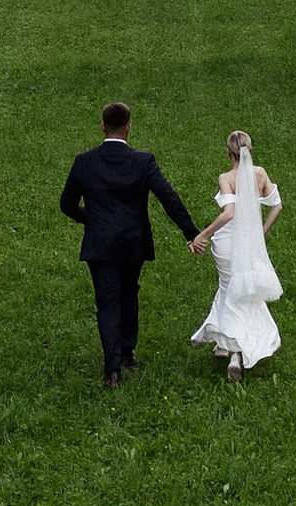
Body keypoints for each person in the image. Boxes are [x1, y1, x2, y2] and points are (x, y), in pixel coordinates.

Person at [58, 105, 198, 388]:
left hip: (100, 243)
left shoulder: (84, 162)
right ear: (128, 127)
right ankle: (127, 352)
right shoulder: (143, 161)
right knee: (129, 292)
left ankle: (112, 370)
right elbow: (168, 198)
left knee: (107, 302)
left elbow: (67, 204)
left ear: (102, 127)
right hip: (133, 241)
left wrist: (91, 219)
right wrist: (191, 232)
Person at [190, 128, 283, 380]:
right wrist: (261, 232)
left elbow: (229, 213)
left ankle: (232, 350)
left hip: (227, 243)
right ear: (250, 150)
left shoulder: (226, 177)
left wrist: (203, 234)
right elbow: (277, 205)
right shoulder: (260, 174)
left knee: (230, 289)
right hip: (250, 243)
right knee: (244, 293)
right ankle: (229, 346)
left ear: (227, 152)